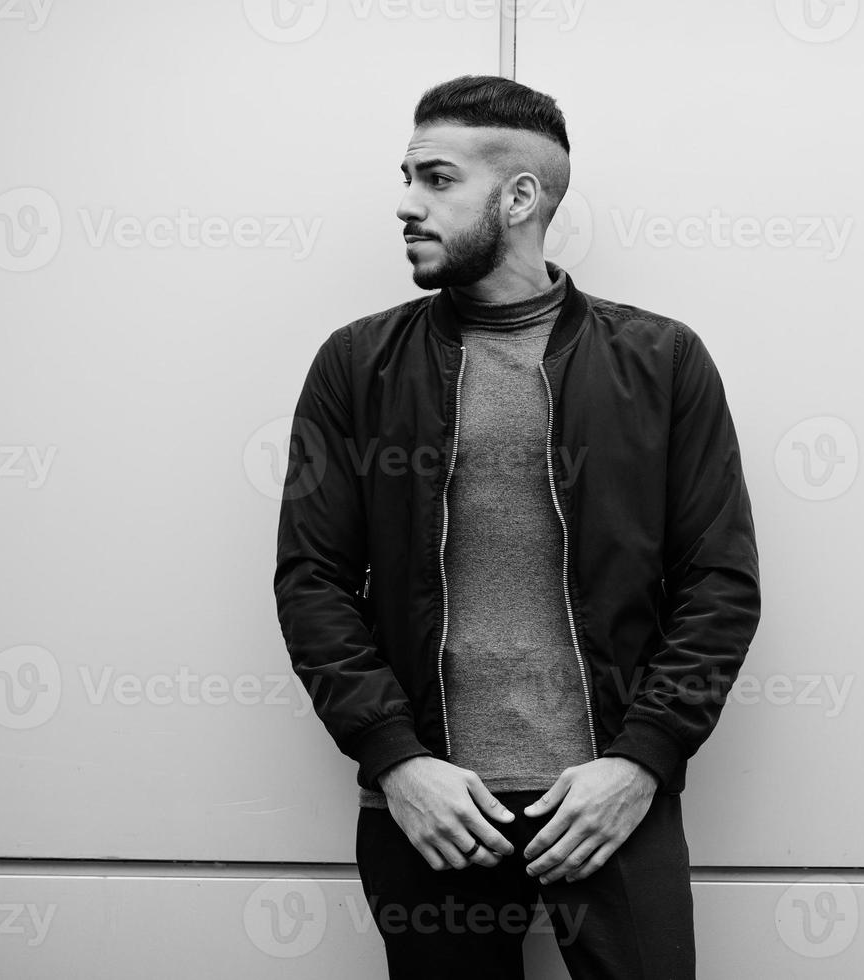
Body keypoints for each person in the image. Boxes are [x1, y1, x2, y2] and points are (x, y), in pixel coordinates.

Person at [272, 74, 761, 979]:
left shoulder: (660, 361)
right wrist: (396, 762)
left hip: (611, 798)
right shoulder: (356, 363)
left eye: (435, 178)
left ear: (521, 195)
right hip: (434, 807)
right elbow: (313, 581)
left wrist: (642, 762)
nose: (405, 204)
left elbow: (718, 585)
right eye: (407, 177)